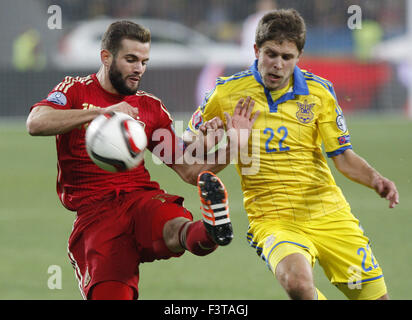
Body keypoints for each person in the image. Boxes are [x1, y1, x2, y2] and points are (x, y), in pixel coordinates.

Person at [26, 20, 256, 300]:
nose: (139, 69)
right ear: (106, 57)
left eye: (144, 61)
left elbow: (190, 169)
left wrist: (234, 145)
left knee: (176, 229)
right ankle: (206, 231)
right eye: (131, 59)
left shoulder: (149, 108)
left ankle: (211, 230)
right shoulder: (75, 90)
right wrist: (102, 113)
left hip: (140, 200)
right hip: (96, 217)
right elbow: (36, 122)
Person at [184, 9, 399, 300]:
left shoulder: (319, 93)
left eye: (287, 57)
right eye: (271, 54)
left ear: (298, 57)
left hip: (329, 213)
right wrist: (210, 138)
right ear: (256, 50)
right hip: (272, 219)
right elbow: (188, 157)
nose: (277, 65)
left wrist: (376, 179)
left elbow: (343, 156)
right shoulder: (226, 94)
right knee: (298, 284)